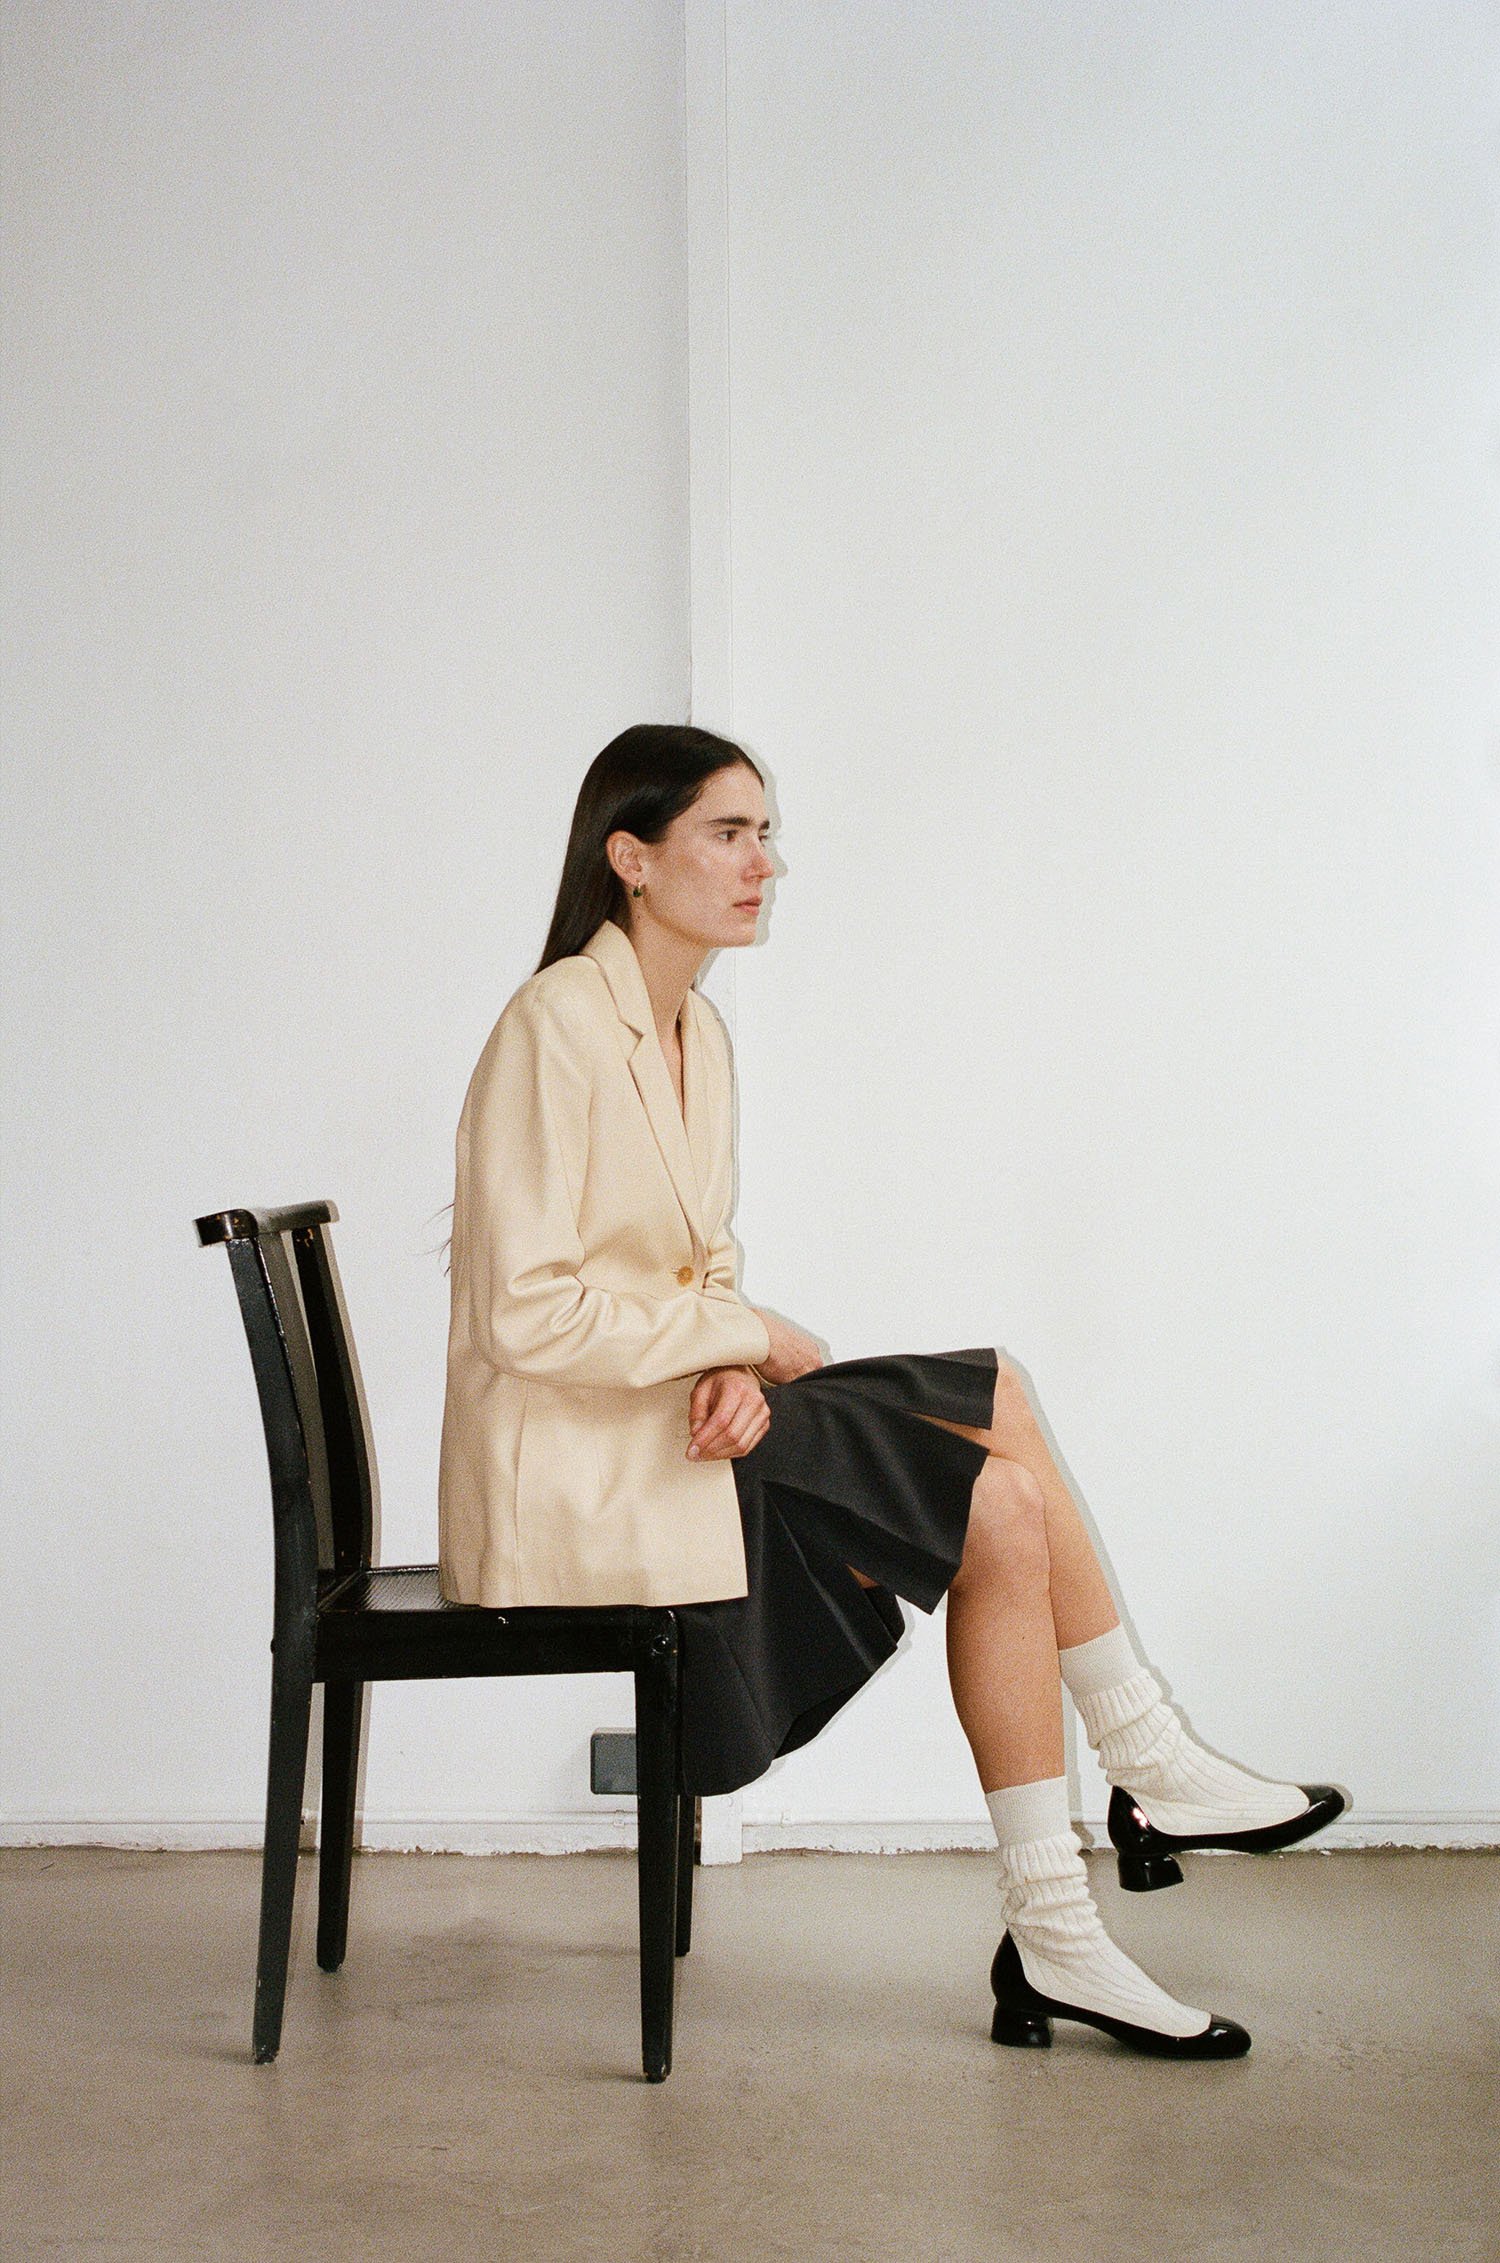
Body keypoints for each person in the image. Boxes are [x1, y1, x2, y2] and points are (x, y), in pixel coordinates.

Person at [437, 722, 1347, 2061]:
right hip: (574, 1471)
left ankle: (1075, 1891)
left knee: (1002, 1467)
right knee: (995, 1443)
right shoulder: (557, 1022)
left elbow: (696, 1264)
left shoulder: (699, 1033)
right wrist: (744, 1336)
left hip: (668, 1428)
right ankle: (1129, 1789)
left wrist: (729, 1360)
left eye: (765, 833)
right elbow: (525, 1312)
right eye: (728, 834)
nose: (764, 862)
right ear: (631, 857)